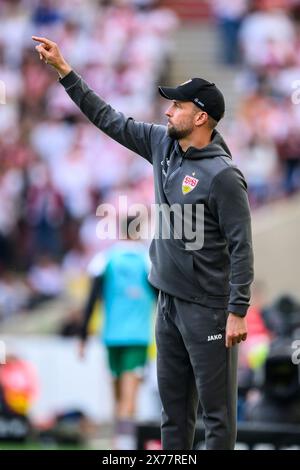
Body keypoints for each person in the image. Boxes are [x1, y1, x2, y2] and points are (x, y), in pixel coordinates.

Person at [32, 35, 254, 450]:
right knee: (172, 416)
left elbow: (242, 245)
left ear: (202, 117)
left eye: (178, 106)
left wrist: (237, 310)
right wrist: (66, 73)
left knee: (217, 418)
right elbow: (110, 119)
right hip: (167, 303)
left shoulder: (224, 177)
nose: (168, 110)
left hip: (208, 309)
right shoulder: (162, 143)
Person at [78, 216, 157, 449]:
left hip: (111, 337)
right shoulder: (147, 261)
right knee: (129, 399)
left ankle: (118, 447)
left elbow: (91, 300)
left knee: (117, 398)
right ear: (139, 230)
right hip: (137, 338)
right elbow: (160, 299)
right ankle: (124, 449)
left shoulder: (104, 259)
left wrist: (82, 336)